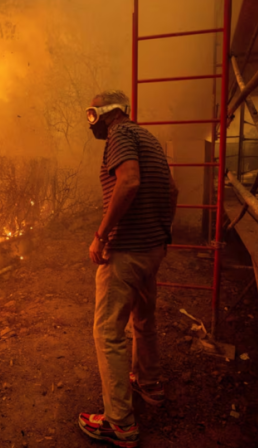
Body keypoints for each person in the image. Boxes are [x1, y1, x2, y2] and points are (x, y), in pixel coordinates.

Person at [77, 90, 178, 448]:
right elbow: (173, 190)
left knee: (108, 332)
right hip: (152, 249)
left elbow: (129, 181)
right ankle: (150, 385)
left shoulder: (119, 134)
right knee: (143, 320)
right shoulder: (147, 138)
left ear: (105, 113)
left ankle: (119, 423)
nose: (91, 122)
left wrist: (101, 235)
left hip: (126, 252)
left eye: (91, 114)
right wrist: (161, 231)